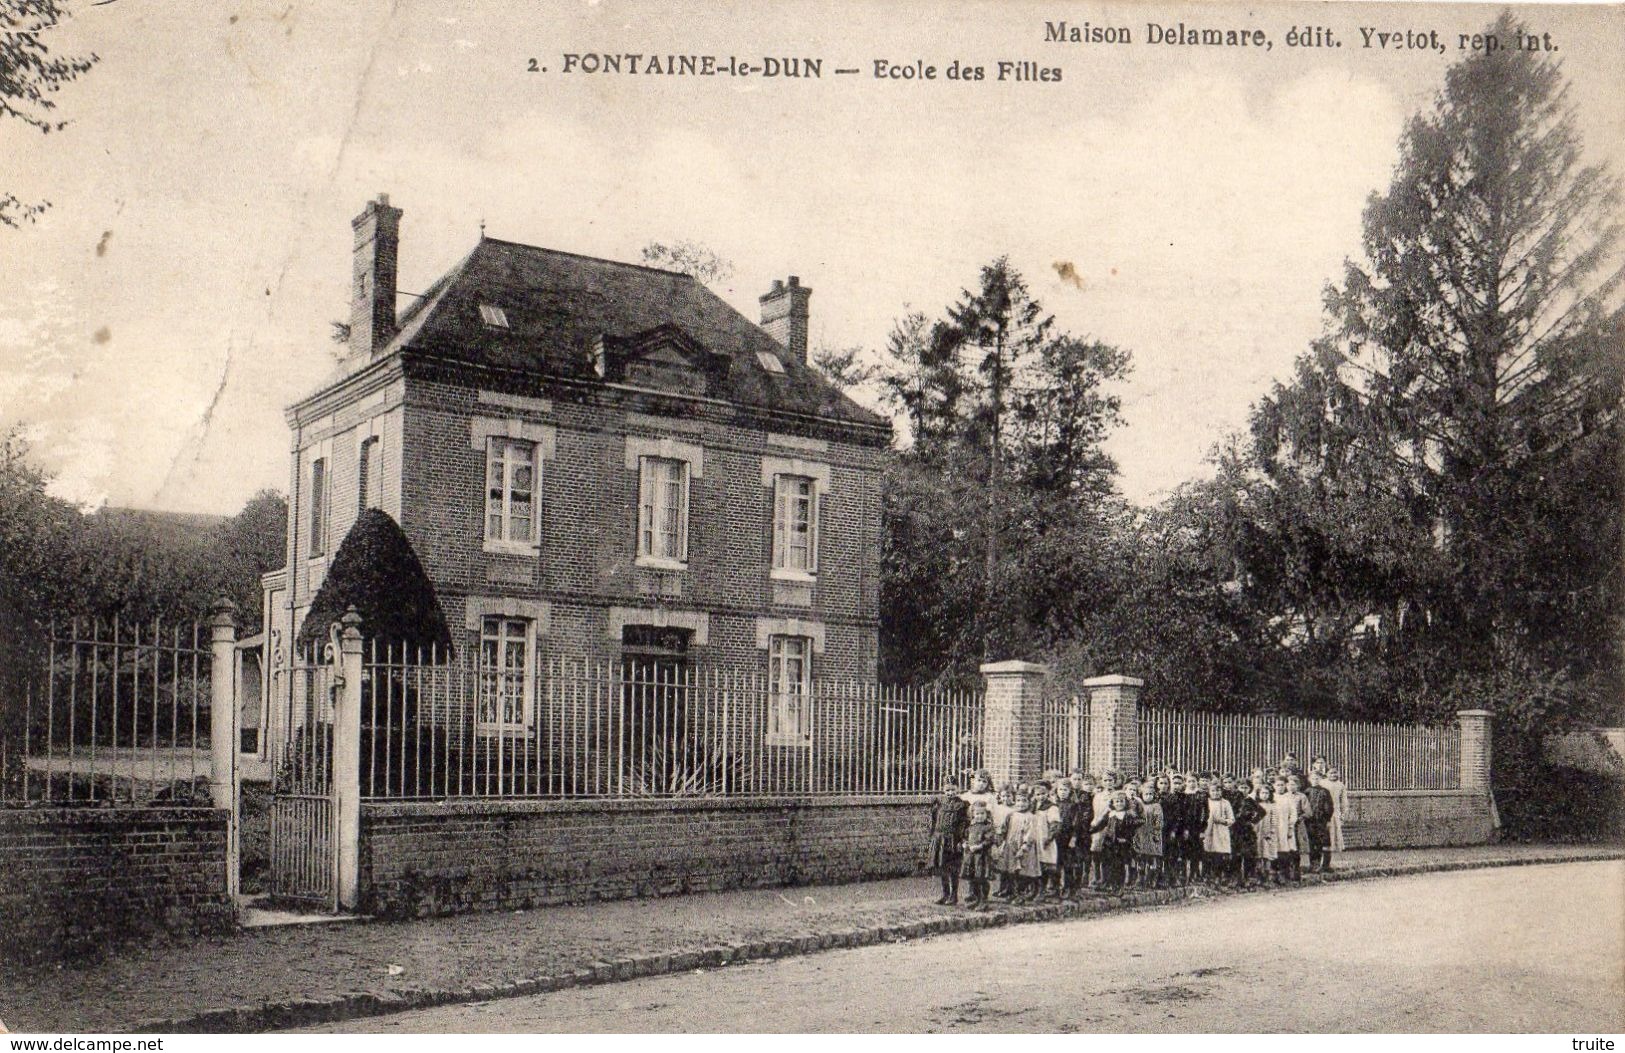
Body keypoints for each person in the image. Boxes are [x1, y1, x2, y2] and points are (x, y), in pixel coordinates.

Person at [927, 779, 969, 904]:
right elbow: (934, 821)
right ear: (943, 790)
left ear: (958, 790)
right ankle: (945, 894)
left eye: (953, 790)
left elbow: (963, 824)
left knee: (953, 868)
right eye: (947, 790)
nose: (950, 793)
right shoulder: (939, 803)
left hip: (953, 839)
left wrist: (961, 839)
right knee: (942, 868)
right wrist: (933, 836)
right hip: (940, 839)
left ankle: (954, 895)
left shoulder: (961, 805)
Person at [1090, 790, 1139, 891]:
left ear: (1126, 802)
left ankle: (1118, 885)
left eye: (1121, 801)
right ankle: (1106, 883)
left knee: (1119, 864)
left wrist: (1126, 838)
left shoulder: (1128, 815)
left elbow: (1131, 829)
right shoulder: (1110, 814)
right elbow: (1101, 824)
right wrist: (1091, 830)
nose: (1119, 804)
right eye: (1116, 801)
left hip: (1121, 844)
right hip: (1108, 843)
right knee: (1106, 863)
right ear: (1112, 803)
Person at [960, 800, 995, 910]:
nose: (980, 816)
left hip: (982, 857)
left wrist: (980, 846)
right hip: (971, 857)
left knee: (981, 878)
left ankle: (983, 901)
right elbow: (965, 837)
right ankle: (975, 899)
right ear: (973, 814)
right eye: (977, 813)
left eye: (982, 813)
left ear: (986, 814)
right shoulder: (971, 826)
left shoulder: (988, 827)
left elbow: (989, 840)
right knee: (973, 878)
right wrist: (964, 843)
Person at [1133, 782, 1165, 888]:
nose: (1148, 796)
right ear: (1141, 795)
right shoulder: (1139, 805)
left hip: (1152, 835)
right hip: (1141, 834)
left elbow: (1158, 821)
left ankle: (1152, 879)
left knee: (1153, 858)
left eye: (1150, 794)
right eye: (1146, 794)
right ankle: (1140, 878)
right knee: (1141, 857)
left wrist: (1156, 830)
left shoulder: (1156, 806)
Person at [1202, 783, 1234, 885]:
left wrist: (1223, 821)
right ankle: (1207, 876)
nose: (1216, 793)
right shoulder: (1206, 802)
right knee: (1208, 852)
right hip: (1209, 830)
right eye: (1213, 791)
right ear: (1209, 792)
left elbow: (1231, 819)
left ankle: (1219, 876)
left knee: (1219, 854)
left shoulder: (1225, 803)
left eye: (1218, 790)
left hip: (1221, 831)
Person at [1271, 775, 1302, 882]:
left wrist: (1290, 826)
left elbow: (1293, 814)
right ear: (1273, 786)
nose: (1280, 787)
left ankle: (1285, 874)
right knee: (1273, 850)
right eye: (1278, 785)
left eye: (1282, 785)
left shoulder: (1288, 798)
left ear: (1285, 786)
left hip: (1285, 827)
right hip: (1273, 828)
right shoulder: (1271, 797)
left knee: (1285, 850)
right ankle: (1274, 874)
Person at [1303, 772, 1335, 872]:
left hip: (1322, 821)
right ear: (1309, 779)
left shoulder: (1325, 791)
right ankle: (1314, 864)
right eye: (1313, 778)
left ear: (1320, 779)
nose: (1315, 780)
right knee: (1313, 842)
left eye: (1317, 778)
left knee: (1325, 842)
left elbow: (1329, 806)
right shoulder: (1306, 791)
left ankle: (1326, 865)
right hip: (1310, 821)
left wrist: (1327, 818)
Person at [1253, 783, 1280, 884]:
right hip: (1257, 832)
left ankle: (1267, 876)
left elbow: (1274, 819)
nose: (1264, 795)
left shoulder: (1272, 806)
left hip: (1267, 833)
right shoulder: (1255, 805)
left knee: (1267, 855)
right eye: (1262, 793)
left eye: (1267, 793)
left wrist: (1271, 831)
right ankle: (1259, 876)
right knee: (1258, 855)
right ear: (1258, 794)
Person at [1322, 765, 1350, 856]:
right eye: (1331, 773)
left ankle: (1336, 847)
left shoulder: (1340, 785)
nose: (1333, 775)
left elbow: (1344, 800)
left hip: (1336, 809)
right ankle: (1326, 847)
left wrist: (1344, 812)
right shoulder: (1322, 783)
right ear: (1326, 774)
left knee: (1336, 827)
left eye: (1335, 772)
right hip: (1325, 809)